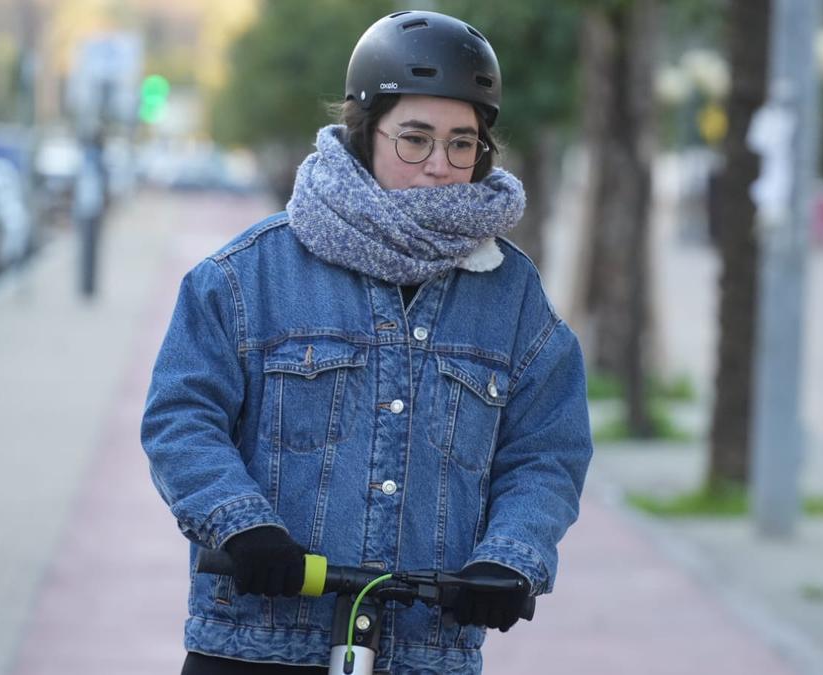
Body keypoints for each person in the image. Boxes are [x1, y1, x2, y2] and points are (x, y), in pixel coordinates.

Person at [140, 10, 593, 675]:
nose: (440, 166)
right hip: (256, 644)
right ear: (363, 134)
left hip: (427, 651)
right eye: (415, 139)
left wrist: (511, 555)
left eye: (462, 143)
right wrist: (241, 523)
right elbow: (182, 417)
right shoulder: (248, 276)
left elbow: (546, 451)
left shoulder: (512, 295)